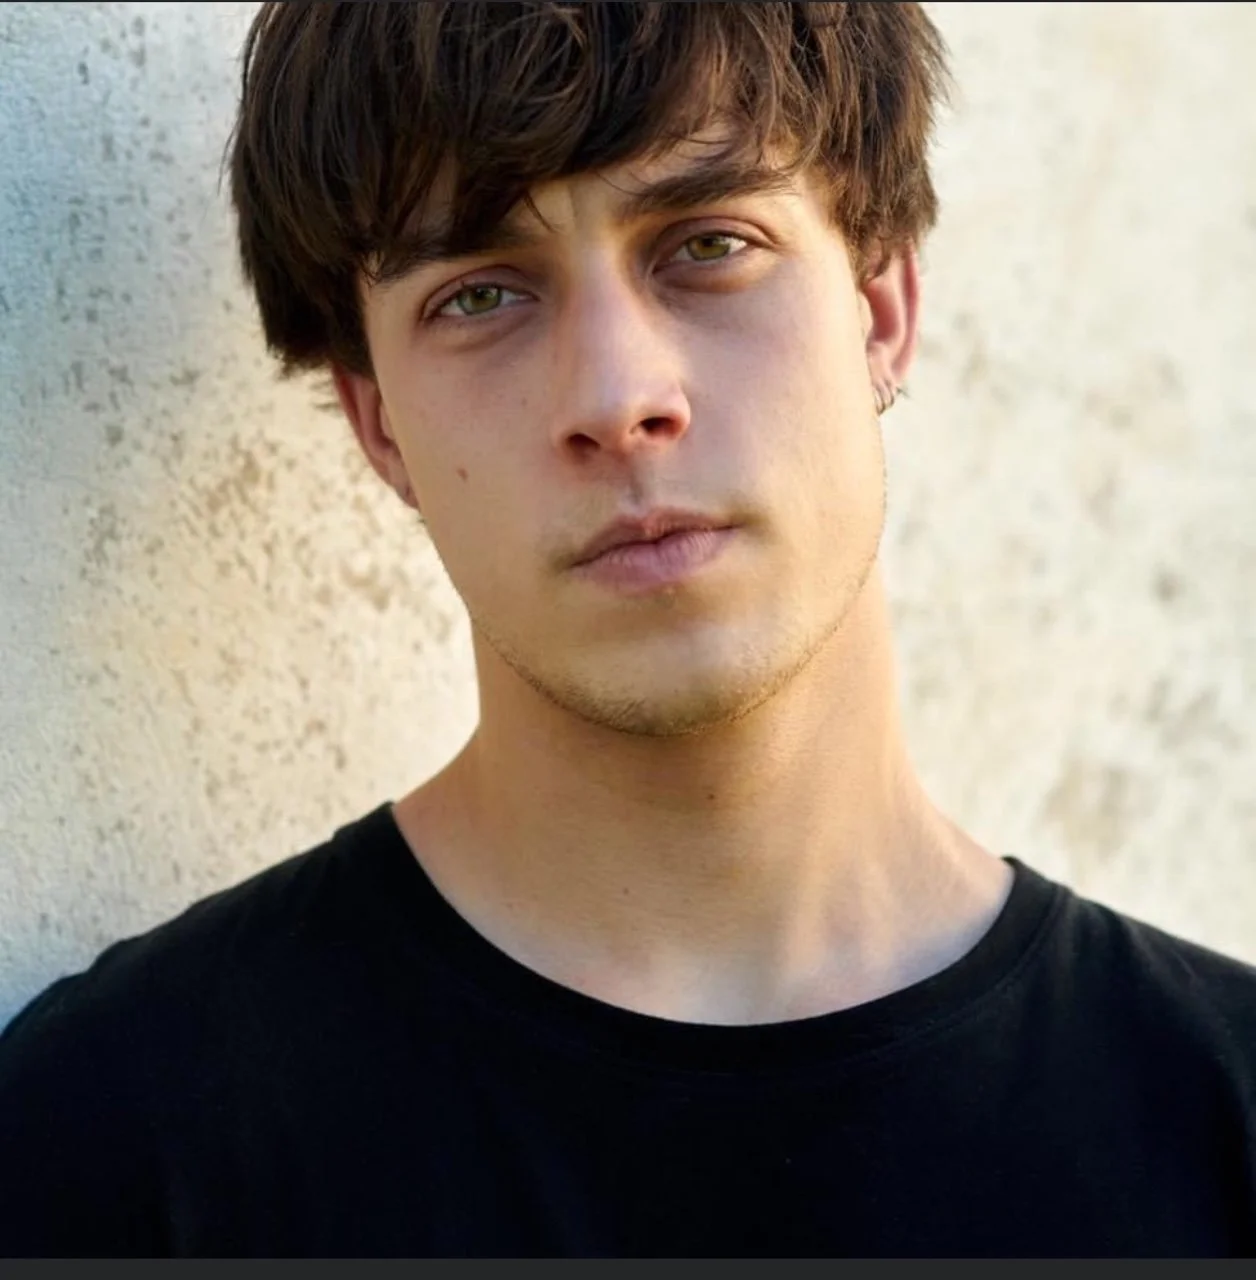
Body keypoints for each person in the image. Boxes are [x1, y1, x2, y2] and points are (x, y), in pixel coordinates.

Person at [1, 0, 1253, 1258]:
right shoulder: (111, 1139)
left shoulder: (1221, 1122)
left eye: (708, 244)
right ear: (379, 424)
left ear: (877, 306)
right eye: (480, 294)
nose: (615, 397)